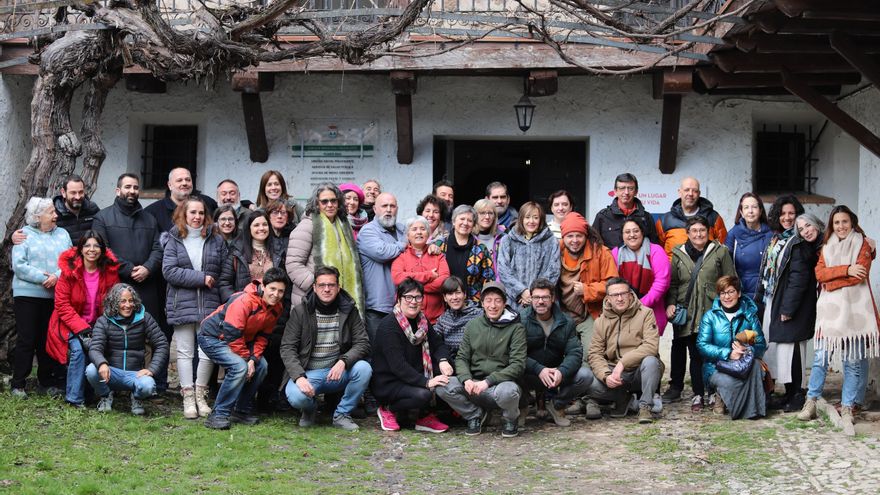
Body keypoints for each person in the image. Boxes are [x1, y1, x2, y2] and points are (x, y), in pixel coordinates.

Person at [799, 206, 879, 426]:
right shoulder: (826, 247)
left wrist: (831, 280)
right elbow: (820, 274)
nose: (841, 226)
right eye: (837, 223)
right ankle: (811, 402)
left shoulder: (863, 244)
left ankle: (847, 407)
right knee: (820, 359)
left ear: (852, 222)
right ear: (831, 225)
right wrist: (845, 269)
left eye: (845, 222)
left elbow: (859, 276)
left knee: (853, 362)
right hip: (829, 314)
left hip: (855, 314)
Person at [92, 173, 166, 391]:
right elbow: (102, 249)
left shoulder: (150, 219)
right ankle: (110, 385)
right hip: (117, 284)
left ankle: (150, 384)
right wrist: (128, 269)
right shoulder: (103, 217)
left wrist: (148, 268)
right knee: (113, 335)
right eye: (127, 187)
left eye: (135, 187)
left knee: (150, 334)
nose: (132, 191)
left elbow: (158, 248)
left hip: (147, 284)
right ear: (118, 190)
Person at [281, 266, 372, 431]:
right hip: (308, 374)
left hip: (336, 372)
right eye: (322, 285)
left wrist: (343, 361)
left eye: (331, 285)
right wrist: (299, 377)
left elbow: (363, 342)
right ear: (314, 287)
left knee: (364, 368)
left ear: (338, 287)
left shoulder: (349, 310)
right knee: (296, 396)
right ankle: (310, 409)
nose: (327, 289)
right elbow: (287, 347)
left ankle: (342, 415)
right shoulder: (301, 312)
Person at [162, 197, 227, 419]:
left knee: (207, 351)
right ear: (184, 214)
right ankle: (188, 397)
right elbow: (169, 271)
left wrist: (212, 281)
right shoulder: (173, 238)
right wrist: (201, 278)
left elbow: (222, 269)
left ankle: (201, 394)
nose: (197, 217)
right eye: (193, 213)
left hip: (210, 303)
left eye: (201, 213)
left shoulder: (215, 239)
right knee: (184, 352)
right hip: (181, 302)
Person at [435, 281, 527, 437]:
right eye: (488, 300)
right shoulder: (473, 325)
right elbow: (462, 357)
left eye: (497, 300)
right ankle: (474, 415)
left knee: (509, 392)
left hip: (499, 384)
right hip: (474, 384)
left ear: (504, 303)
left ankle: (510, 418)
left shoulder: (516, 328)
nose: (493, 305)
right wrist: (466, 379)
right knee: (442, 385)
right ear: (482, 303)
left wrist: (489, 382)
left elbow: (518, 365)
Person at [198, 268, 287, 429]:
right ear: (263, 286)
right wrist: (247, 360)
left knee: (262, 366)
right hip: (213, 337)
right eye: (272, 289)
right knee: (239, 367)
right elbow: (232, 333)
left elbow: (263, 336)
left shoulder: (276, 308)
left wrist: (253, 359)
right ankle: (219, 414)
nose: (276, 294)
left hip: (240, 341)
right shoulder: (244, 301)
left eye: (281, 291)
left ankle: (241, 410)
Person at [663, 215, 735, 411]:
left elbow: (730, 281)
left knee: (711, 355)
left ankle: (713, 392)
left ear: (709, 231)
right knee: (694, 355)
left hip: (713, 312)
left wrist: (728, 305)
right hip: (688, 314)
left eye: (702, 230)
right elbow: (674, 284)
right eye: (694, 231)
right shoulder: (678, 253)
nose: (698, 234)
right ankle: (697, 394)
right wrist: (670, 303)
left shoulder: (720, 252)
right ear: (687, 233)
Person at [46, 231, 120, 407]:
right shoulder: (69, 271)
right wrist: (82, 328)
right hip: (68, 324)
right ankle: (74, 399)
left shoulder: (109, 272)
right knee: (78, 350)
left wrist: (100, 327)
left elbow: (113, 301)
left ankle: (94, 392)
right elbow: (62, 305)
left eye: (96, 246)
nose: (92, 250)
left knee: (98, 349)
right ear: (80, 249)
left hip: (98, 324)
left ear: (102, 250)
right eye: (87, 245)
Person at [755, 196, 815, 412]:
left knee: (794, 349)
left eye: (792, 213)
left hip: (792, 305)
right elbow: (765, 273)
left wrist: (789, 309)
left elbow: (798, 279)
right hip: (775, 300)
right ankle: (789, 393)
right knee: (781, 349)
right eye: (783, 213)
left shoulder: (798, 243)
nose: (787, 218)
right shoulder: (776, 239)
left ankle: (798, 394)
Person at [10, 197, 72, 398]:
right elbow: (19, 265)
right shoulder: (23, 235)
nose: (56, 215)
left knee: (48, 340)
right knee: (27, 339)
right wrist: (42, 278)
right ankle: (18, 384)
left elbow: (71, 260)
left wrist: (56, 277)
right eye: (51, 212)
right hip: (27, 295)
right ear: (38, 216)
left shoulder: (63, 234)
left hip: (54, 296)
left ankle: (46, 382)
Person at [372, 278, 453, 433]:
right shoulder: (388, 326)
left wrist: (443, 361)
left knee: (447, 373)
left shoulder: (422, 321)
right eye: (408, 297)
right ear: (399, 299)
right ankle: (388, 409)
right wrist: (427, 382)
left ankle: (422, 416)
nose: (413, 302)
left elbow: (438, 345)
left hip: (413, 374)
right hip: (390, 382)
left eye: (417, 297)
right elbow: (398, 366)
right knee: (424, 394)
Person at [583, 278, 664, 424]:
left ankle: (645, 406)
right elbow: (595, 354)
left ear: (630, 294)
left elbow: (651, 346)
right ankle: (623, 399)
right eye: (615, 295)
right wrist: (606, 376)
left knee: (651, 362)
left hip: (639, 370)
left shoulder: (645, 313)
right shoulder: (601, 321)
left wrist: (623, 363)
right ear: (608, 298)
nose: (619, 298)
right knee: (586, 381)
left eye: (623, 294)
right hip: (614, 374)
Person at [85, 283, 170, 415]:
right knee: (91, 370)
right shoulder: (103, 321)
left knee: (148, 385)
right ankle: (106, 395)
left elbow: (162, 344)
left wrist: (152, 369)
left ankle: (136, 398)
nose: (128, 305)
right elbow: (95, 347)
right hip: (111, 373)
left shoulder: (144, 318)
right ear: (114, 302)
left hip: (135, 374)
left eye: (131, 300)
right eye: (123, 301)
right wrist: (102, 364)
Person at [519, 278, 589, 427]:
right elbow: (515, 354)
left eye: (545, 297)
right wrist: (539, 369)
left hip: (555, 374)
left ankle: (556, 405)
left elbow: (575, 353)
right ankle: (522, 406)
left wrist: (562, 371)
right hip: (529, 373)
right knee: (509, 369)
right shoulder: (521, 320)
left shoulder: (566, 321)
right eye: (536, 297)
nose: (540, 301)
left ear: (553, 299)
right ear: (531, 298)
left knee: (586, 375)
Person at [286, 182, 364, 312]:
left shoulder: (345, 226)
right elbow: (293, 264)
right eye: (324, 201)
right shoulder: (307, 226)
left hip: (341, 299)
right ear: (317, 204)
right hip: (313, 299)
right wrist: (320, 287)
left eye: (333, 201)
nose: (330, 205)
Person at [697, 275, 767, 420]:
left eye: (730, 292)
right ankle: (721, 395)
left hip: (744, 365)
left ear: (739, 293)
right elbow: (702, 346)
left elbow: (761, 344)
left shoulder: (750, 316)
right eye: (723, 293)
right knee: (730, 382)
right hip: (716, 366)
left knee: (755, 366)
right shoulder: (710, 317)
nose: (727, 297)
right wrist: (728, 353)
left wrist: (747, 350)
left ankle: (753, 410)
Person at [556, 211, 617, 374]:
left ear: (586, 235)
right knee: (560, 354)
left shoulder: (601, 252)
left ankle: (588, 391)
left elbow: (613, 284)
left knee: (591, 353)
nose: (574, 241)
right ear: (563, 237)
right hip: (562, 313)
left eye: (579, 236)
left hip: (590, 312)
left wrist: (588, 290)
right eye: (570, 236)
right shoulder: (556, 251)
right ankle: (565, 391)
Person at [357, 192, 406, 341]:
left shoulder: (403, 229)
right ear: (375, 209)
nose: (389, 209)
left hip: (402, 305)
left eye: (392, 206)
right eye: (384, 206)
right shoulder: (368, 231)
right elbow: (382, 252)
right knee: (379, 353)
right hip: (377, 307)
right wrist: (404, 245)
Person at [611, 219, 671, 336]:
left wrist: (639, 305)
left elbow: (661, 283)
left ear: (642, 232)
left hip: (651, 313)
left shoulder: (656, 251)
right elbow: (612, 283)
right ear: (622, 236)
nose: (632, 235)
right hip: (623, 313)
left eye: (636, 231)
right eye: (627, 232)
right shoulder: (615, 253)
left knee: (648, 353)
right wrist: (625, 305)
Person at [496, 201, 560, 311]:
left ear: (541, 220)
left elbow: (553, 271)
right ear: (521, 219)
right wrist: (521, 292)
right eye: (527, 217)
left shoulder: (551, 241)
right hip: (515, 303)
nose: (531, 221)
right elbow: (503, 270)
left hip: (542, 303)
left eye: (535, 217)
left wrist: (535, 295)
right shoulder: (508, 240)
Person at [391, 216, 450, 323]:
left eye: (423, 229)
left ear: (428, 234)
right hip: (407, 319)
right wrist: (428, 275)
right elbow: (398, 278)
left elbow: (444, 280)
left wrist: (413, 288)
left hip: (436, 319)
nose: (419, 232)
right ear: (408, 235)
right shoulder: (401, 257)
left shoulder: (438, 255)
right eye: (414, 229)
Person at [219, 210, 284, 302]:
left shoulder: (279, 250)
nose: (261, 228)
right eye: (256, 225)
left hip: (272, 309)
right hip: (245, 308)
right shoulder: (237, 251)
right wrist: (236, 303)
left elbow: (285, 285)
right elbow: (225, 282)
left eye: (265, 224)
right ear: (248, 228)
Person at [435, 205, 495, 302]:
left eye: (470, 221)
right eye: (462, 219)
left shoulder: (481, 248)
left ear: (473, 225)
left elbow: (489, 279)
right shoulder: (439, 245)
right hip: (442, 303)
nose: (465, 223)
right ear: (454, 221)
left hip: (472, 305)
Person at [656, 177, 727, 258]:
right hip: (674, 270)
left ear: (699, 193)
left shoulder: (713, 218)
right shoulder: (665, 220)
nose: (690, 194)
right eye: (687, 190)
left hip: (705, 270)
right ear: (680, 192)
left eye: (695, 191)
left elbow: (723, 249)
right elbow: (658, 253)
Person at [725, 192, 773, 298]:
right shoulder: (733, 235)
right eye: (746, 207)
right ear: (741, 212)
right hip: (741, 293)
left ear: (760, 211)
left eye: (754, 207)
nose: (750, 211)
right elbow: (726, 265)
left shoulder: (771, 235)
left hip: (767, 294)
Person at [592, 173, 659, 248]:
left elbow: (654, 246)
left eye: (630, 188)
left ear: (636, 191)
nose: (626, 192)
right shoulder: (602, 216)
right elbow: (594, 246)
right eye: (622, 188)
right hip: (611, 259)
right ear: (615, 191)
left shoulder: (646, 217)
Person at [144, 167, 217, 233]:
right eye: (179, 180)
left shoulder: (208, 203)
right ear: (170, 185)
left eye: (188, 180)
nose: (184, 183)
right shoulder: (152, 212)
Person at [433, 276, 482, 362]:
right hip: (451, 363)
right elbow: (434, 338)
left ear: (465, 294)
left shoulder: (479, 315)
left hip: (474, 362)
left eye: (458, 292)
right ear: (445, 298)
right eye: (450, 294)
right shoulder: (444, 319)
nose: (454, 297)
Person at [473, 198, 505, 270]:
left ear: (495, 216)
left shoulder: (503, 238)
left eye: (490, 213)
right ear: (475, 215)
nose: (487, 217)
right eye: (482, 213)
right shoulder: (469, 238)